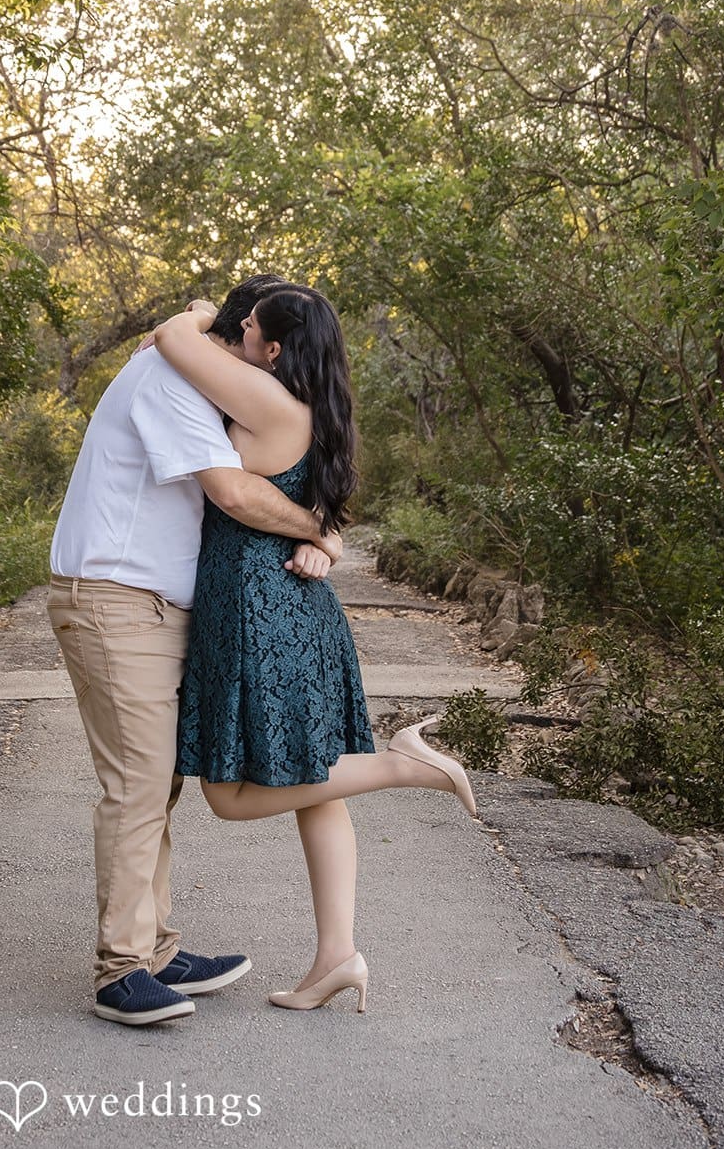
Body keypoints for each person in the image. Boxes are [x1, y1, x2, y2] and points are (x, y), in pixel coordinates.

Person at [153, 282, 477, 1014]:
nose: (234, 336)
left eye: (246, 329)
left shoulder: (267, 398)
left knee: (229, 797)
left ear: (272, 349)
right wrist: (321, 538)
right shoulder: (317, 407)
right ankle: (338, 955)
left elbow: (173, 340)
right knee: (318, 781)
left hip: (256, 609)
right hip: (292, 605)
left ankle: (403, 766)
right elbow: (317, 511)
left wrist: (198, 313)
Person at [46, 275, 343, 1027]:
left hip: (154, 604)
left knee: (159, 784)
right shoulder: (173, 378)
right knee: (138, 785)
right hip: (116, 597)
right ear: (242, 339)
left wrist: (324, 530)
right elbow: (234, 494)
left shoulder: (202, 374)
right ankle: (121, 972)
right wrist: (319, 530)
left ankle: (155, 949)